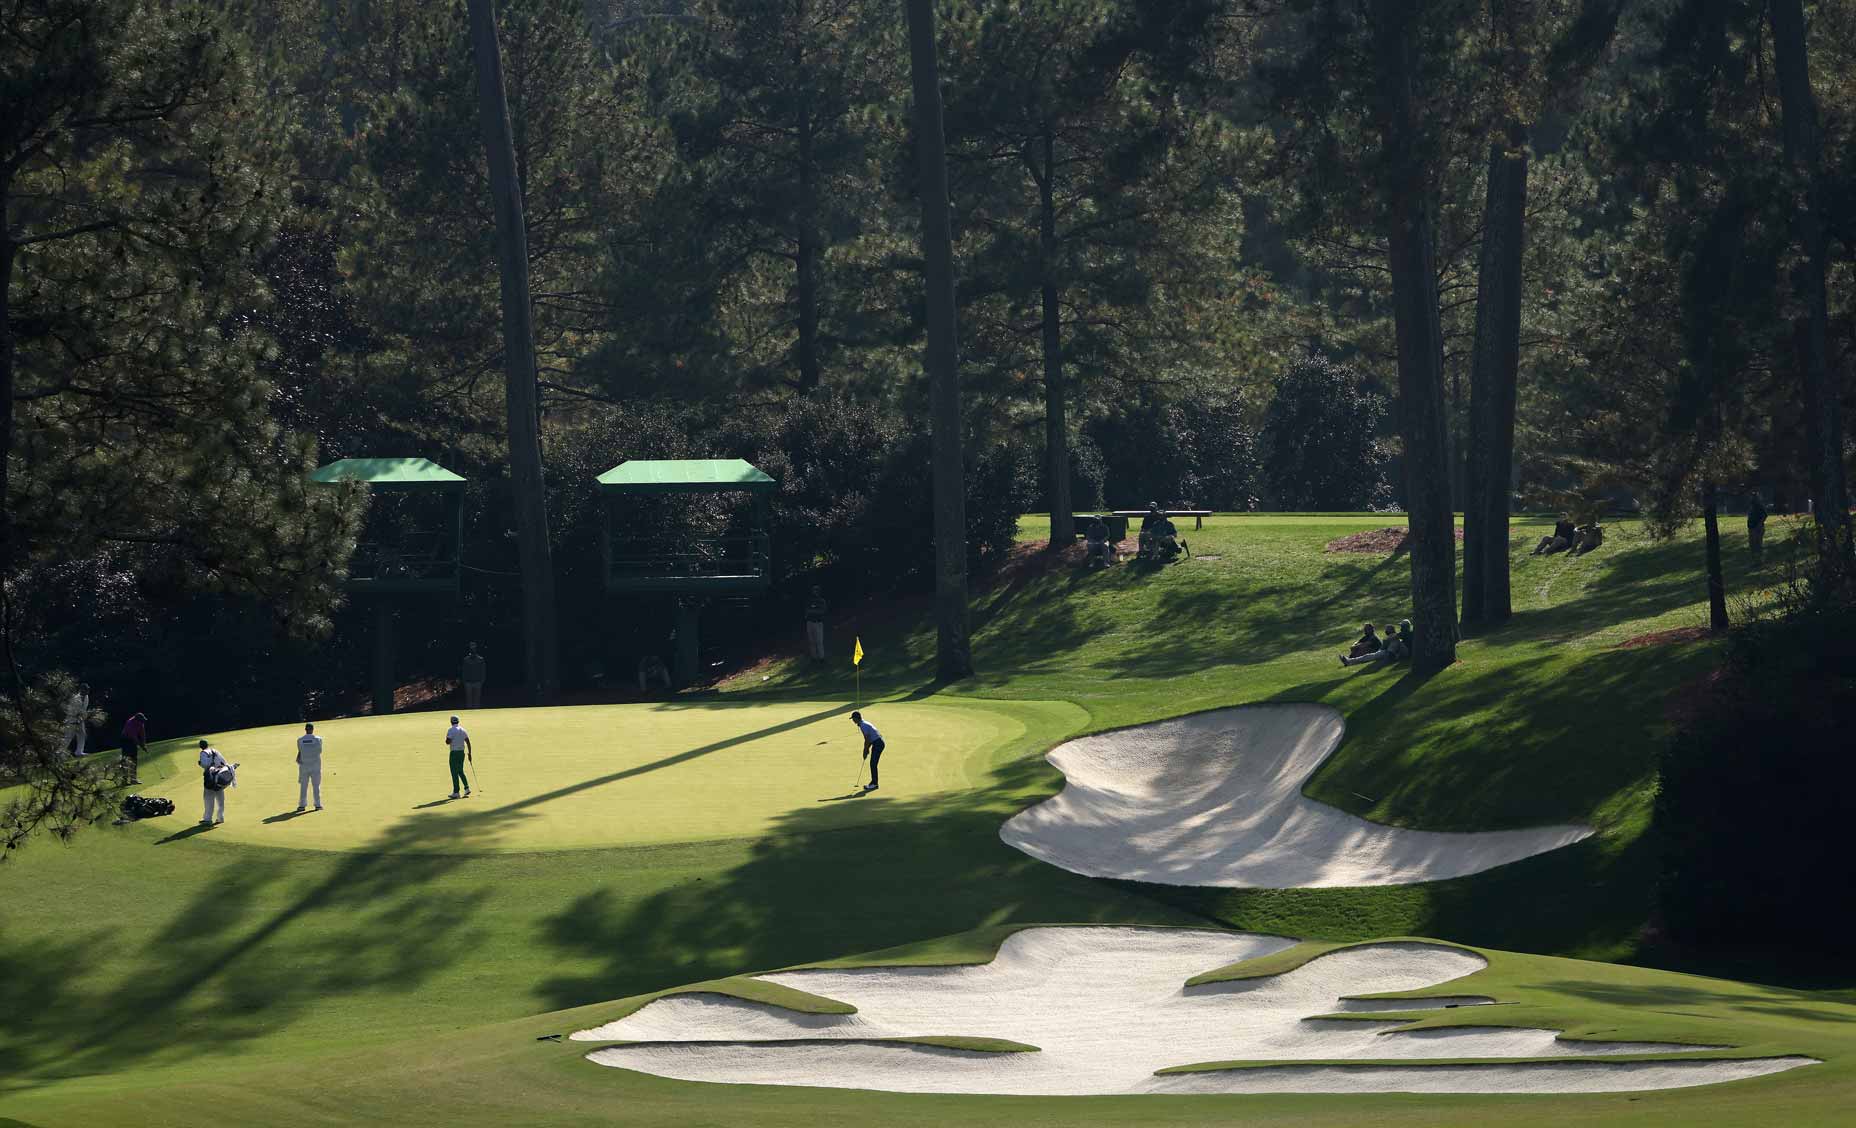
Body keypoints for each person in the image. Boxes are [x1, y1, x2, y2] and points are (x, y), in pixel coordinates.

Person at [197, 739, 236, 825]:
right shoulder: (214, 751)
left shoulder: (203, 753)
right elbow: (224, 762)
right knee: (220, 799)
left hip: (210, 777)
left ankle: (207, 819)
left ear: (201, 746)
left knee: (208, 799)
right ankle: (220, 818)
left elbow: (205, 764)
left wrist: (200, 764)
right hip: (219, 776)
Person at [1342, 620, 1411, 667]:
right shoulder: (1400, 634)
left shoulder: (1406, 633)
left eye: (1402, 626)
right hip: (1393, 651)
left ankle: (1389, 658)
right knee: (1369, 656)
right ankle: (1350, 661)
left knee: (1395, 641)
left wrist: (1388, 639)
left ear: (1405, 627)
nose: (1401, 627)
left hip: (1406, 651)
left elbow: (1393, 637)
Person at [851, 710, 884, 792]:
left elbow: (867, 739)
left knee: (873, 763)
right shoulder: (863, 723)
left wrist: (865, 750)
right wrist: (867, 749)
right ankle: (874, 783)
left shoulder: (863, 725)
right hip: (877, 743)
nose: (852, 720)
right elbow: (869, 739)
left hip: (878, 744)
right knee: (873, 763)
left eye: (853, 719)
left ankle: (874, 784)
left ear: (856, 718)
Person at [295, 721, 324, 812]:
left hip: (304, 766)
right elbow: (319, 751)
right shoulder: (318, 739)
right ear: (312, 729)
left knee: (303, 786)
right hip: (315, 766)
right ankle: (318, 805)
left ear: (305, 730)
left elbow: (300, 751)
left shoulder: (299, 740)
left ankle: (302, 805)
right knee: (316, 786)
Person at [443, 716, 472, 799]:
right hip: (461, 753)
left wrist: (447, 739)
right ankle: (467, 788)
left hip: (454, 753)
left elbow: (448, 742)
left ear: (451, 722)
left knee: (454, 772)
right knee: (460, 770)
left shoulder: (451, 730)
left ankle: (456, 792)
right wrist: (470, 753)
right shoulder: (463, 730)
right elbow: (468, 742)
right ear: (458, 721)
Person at [119, 712, 148, 785]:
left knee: (134, 759)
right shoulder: (130, 723)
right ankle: (124, 780)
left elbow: (142, 734)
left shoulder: (141, 722)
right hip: (125, 740)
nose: (142, 722)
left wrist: (144, 745)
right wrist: (141, 746)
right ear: (136, 719)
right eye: (141, 721)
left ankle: (133, 779)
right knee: (125, 759)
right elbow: (133, 737)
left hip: (132, 739)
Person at [63, 683, 90, 757]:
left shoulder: (86, 697)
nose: (87, 691)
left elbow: (84, 709)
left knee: (82, 735)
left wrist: (83, 718)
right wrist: (77, 719)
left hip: (80, 719)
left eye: (87, 690)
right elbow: (72, 711)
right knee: (68, 737)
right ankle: (59, 754)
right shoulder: (75, 698)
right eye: (85, 690)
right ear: (81, 690)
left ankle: (79, 752)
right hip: (72, 720)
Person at [804, 586, 828, 660]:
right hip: (810, 622)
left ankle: (821, 658)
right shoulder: (809, 600)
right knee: (812, 641)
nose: (815, 592)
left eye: (816, 590)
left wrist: (812, 611)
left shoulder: (821, 601)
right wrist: (811, 612)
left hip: (818, 623)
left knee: (819, 641)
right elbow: (806, 611)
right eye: (814, 590)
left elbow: (822, 611)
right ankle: (814, 657)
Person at [462, 644, 486, 708]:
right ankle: (469, 712)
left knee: (477, 699)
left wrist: (482, 680)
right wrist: (464, 681)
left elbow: (483, 671)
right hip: (468, 682)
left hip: (477, 681)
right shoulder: (466, 659)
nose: (473, 649)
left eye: (474, 647)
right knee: (469, 699)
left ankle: (476, 712)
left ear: (476, 649)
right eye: (472, 647)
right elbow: (464, 671)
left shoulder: (481, 659)